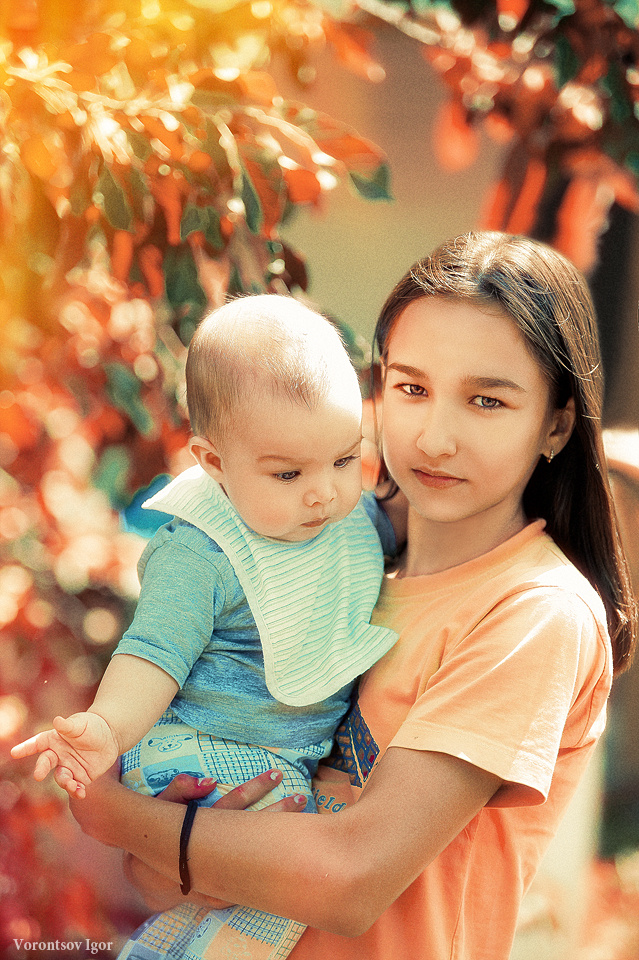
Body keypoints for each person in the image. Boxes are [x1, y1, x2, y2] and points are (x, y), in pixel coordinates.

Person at [68, 232, 636, 960]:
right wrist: (179, 849)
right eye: (410, 387)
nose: (434, 437)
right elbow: (155, 880)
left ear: (555, 422)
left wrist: (115, 815)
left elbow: (348, 881)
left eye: (486, 401)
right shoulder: (335, 554)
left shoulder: (531, 611)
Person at [11, 294, 401, 960]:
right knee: (287, 877)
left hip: (267, 761)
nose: (323, 493)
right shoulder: (202, 552)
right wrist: (106, 727)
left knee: (221, 901)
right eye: (288, 472)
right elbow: (153, 653)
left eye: (344, 460)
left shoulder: (350, 524)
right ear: (213, 463)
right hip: (194, 752)